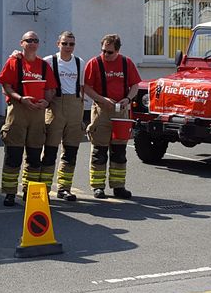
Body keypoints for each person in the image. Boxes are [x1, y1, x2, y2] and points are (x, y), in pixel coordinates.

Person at [0, 31, 56, 207]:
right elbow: (6, 86)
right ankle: (9, 193)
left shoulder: (44, 66)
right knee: (13, 155)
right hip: (17, 111)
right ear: (21, 43)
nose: (32, 43)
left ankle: (29, 192)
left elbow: (51, 88)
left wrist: (47, 101)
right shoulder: (14, 62)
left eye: (35, 40)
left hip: (38, 113)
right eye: (29, 40)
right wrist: (20, 98)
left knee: (34, 155)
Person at [83, 34, 142, 199]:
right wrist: (102, 99)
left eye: (109, 52)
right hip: (101, 111)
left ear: (118, 50)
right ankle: (98, 187)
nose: (105, 55)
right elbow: (87, 88)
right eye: (103, 51)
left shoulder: (126, 63)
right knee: (99, 151)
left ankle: (118, 187)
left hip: (121, 111)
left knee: (119, 151)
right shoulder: (94, 63)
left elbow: (135, 85)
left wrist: (128, 99)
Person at [42, 31, 86, 201]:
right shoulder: (49, 61)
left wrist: (81, 110)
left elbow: (81, 87)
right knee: (50, 151)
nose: (68, 47)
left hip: (75, 107)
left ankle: (64, 188)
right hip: (55, 107)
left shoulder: (79, 62)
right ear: (58, 44)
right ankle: (44, 187)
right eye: (65, 43)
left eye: (71, 44)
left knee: (71, 151)